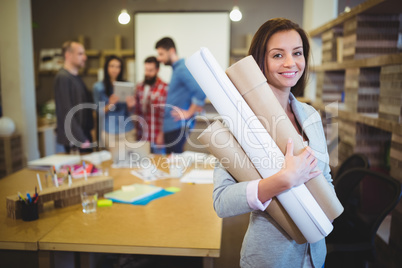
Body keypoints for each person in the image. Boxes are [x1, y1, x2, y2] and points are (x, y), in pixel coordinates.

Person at [212, 18, 333, 268]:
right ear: (260, 62)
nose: (291, 63)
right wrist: (283, 180)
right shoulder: (240, 122)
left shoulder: (310, 116)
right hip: (270, 258)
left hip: (316, 256)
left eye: (297, 53)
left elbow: (326, 177)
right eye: (278, 55)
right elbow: (222, 202)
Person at [155, 37, 206, 154]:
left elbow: (200, 91)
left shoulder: (182, 69)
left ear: (171, 51)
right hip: (171, 127)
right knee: (171, 163)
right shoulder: (176, 69)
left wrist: (188, 113)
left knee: (174, 164)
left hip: (177, 127)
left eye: (161, 54)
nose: (159, 58)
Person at [93, 55, 136, 162]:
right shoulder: (98, 87)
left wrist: (131, 105)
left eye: (118, 67)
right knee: (115, 161)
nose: (115, 69)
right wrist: (110, 104)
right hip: (109, 131)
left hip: (127, 129)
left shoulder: (127, 85)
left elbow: (131, 111)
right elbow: (98, 112)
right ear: (106, 68)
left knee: (130, 161)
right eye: (112, 66)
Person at [54, 41, 94, 153]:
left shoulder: (76, 78)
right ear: (68, 55)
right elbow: (66, 110)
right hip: (76, 139)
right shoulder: (63, 78)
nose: (85, 57)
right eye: (80, 54)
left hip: (84, 135)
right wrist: (80, 138)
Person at [135, 56, 168, 154]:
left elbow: (166, 115)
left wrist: (162, 135)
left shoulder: (164, 88)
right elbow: (137, 111)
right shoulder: (139, 87)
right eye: (146, 70)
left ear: (158, 70)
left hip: (157, 136)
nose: (147, 73)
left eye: (150, 70)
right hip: (142, 137)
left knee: (160, 165)